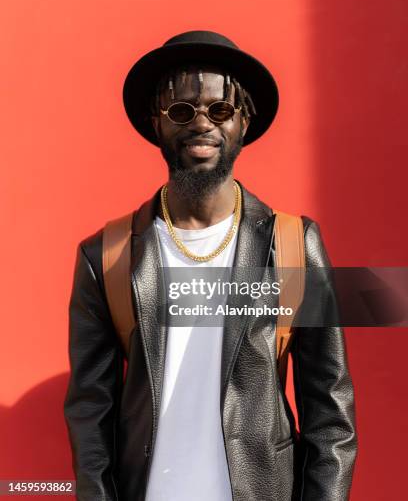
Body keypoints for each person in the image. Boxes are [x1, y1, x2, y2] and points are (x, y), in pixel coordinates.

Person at [64, 30, 357, 501]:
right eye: (181, 111)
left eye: (220, 110)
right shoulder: (107, 256)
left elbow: (331, 413)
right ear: (155, 124)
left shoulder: (293, 245)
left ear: (244, 121)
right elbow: (89, 413)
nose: (202, 124)